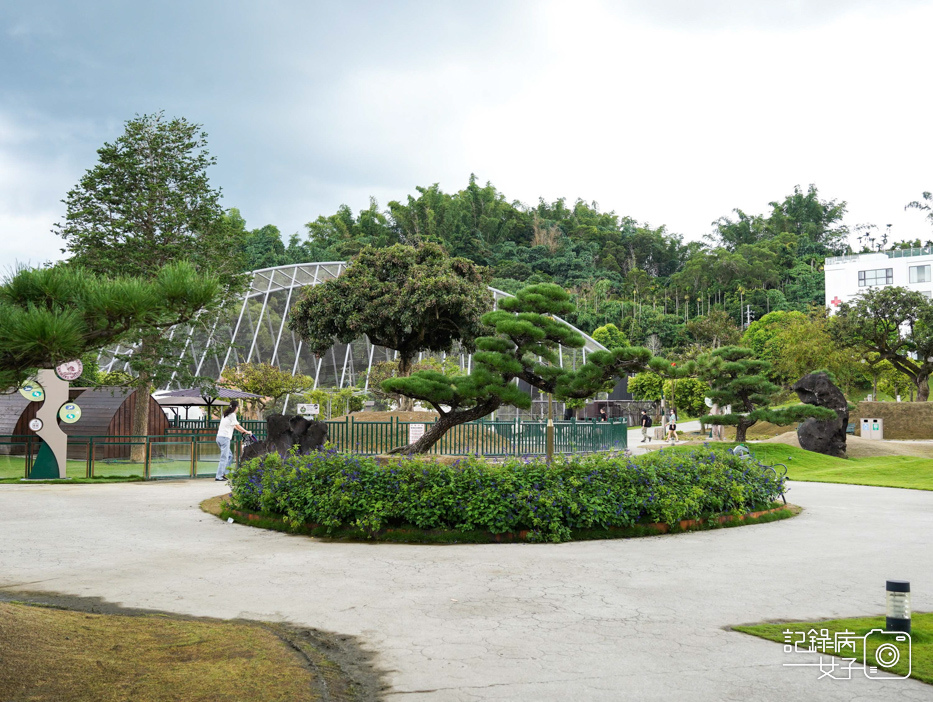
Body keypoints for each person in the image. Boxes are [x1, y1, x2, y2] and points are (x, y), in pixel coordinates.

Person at [215, 400, 253, 481]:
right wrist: (247, 431)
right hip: (225, 438)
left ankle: (224, 473)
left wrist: (242, 431)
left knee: (229, 456)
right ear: (236, 407)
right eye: (238, 407)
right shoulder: (232, 415)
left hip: (219, 437)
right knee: (224, 457)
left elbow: (233, 426)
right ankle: (219, 476)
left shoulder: (225, 414)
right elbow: (237, 425)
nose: (238, 409)